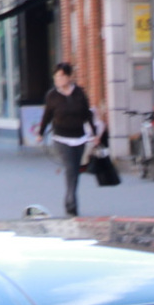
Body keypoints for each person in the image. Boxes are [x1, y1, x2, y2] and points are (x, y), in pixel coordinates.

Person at [38, 62, 95, 217]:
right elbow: (47, 115)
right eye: (56, 76)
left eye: (62, 76)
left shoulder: (79, 93)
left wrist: (94, 134)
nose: (58, 79)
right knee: (70, 168)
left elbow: (87, 114)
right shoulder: (52, 96)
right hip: (61, 138)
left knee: (75, 170)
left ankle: (70, 198)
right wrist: (41, 132)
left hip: (79, 138)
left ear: (69, 77)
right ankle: (71, 201)